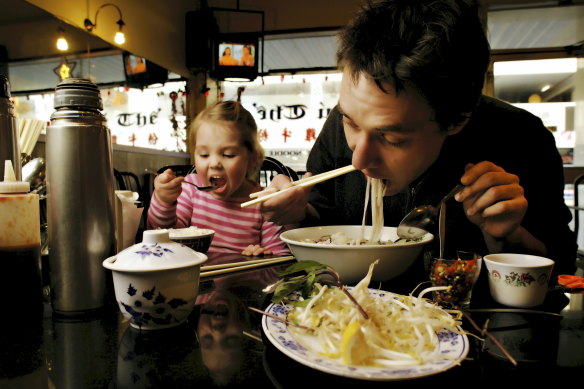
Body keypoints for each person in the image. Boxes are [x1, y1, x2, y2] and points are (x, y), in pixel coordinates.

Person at [259, 0, 577, 292]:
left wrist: (507, 236)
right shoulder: (336, 125)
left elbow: (562, 271)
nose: (359, 159)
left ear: (456, 120)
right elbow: (320, 222)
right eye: (352, 123)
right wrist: (296, 213)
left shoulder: (520, 137)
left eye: (392, 138)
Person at [147, 101, 289, 256]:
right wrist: (164, 201)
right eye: (204, 155)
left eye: (228, 155)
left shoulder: (265, 203)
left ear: (251, 159)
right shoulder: (191, 189)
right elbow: (164, 235)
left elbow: (280, 259)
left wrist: (264, 256)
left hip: (242, 278)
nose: (214, 163)